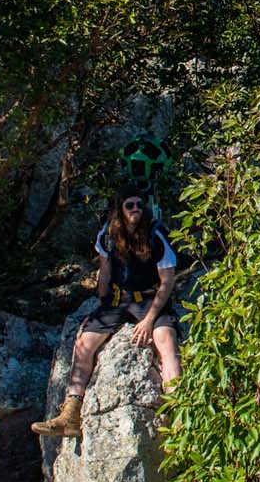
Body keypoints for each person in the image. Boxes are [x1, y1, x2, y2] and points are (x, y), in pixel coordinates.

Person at [32, 185, 181, 438]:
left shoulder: (157, 235)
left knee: (166, 341)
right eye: (129, 205)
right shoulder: (108, 235)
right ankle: (70, 413)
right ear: (120, 209)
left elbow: (167, 281)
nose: (135, 209)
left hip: (149, 298)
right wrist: (100, 308)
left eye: (139, 205)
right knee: (85, 343)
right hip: (118, 300)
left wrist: (148, 320)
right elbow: (106, 272)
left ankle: (179, 414)